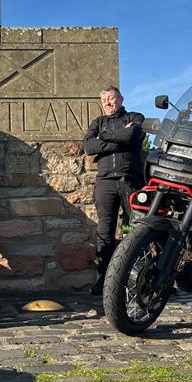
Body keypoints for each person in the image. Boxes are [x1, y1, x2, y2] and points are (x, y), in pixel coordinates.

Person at [83, 86, 145, 295]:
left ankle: (147, 277)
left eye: (111, 99)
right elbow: (89, 147)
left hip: (130, 180)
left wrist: (105, 138)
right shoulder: (98, 123)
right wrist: (118, 136)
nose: (108, 103)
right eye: (104, 101)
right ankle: (103, 281)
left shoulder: (135, 116)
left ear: (121, 99)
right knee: (105, 233)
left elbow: (131, 136)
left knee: (140, 229)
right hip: (105, 183)